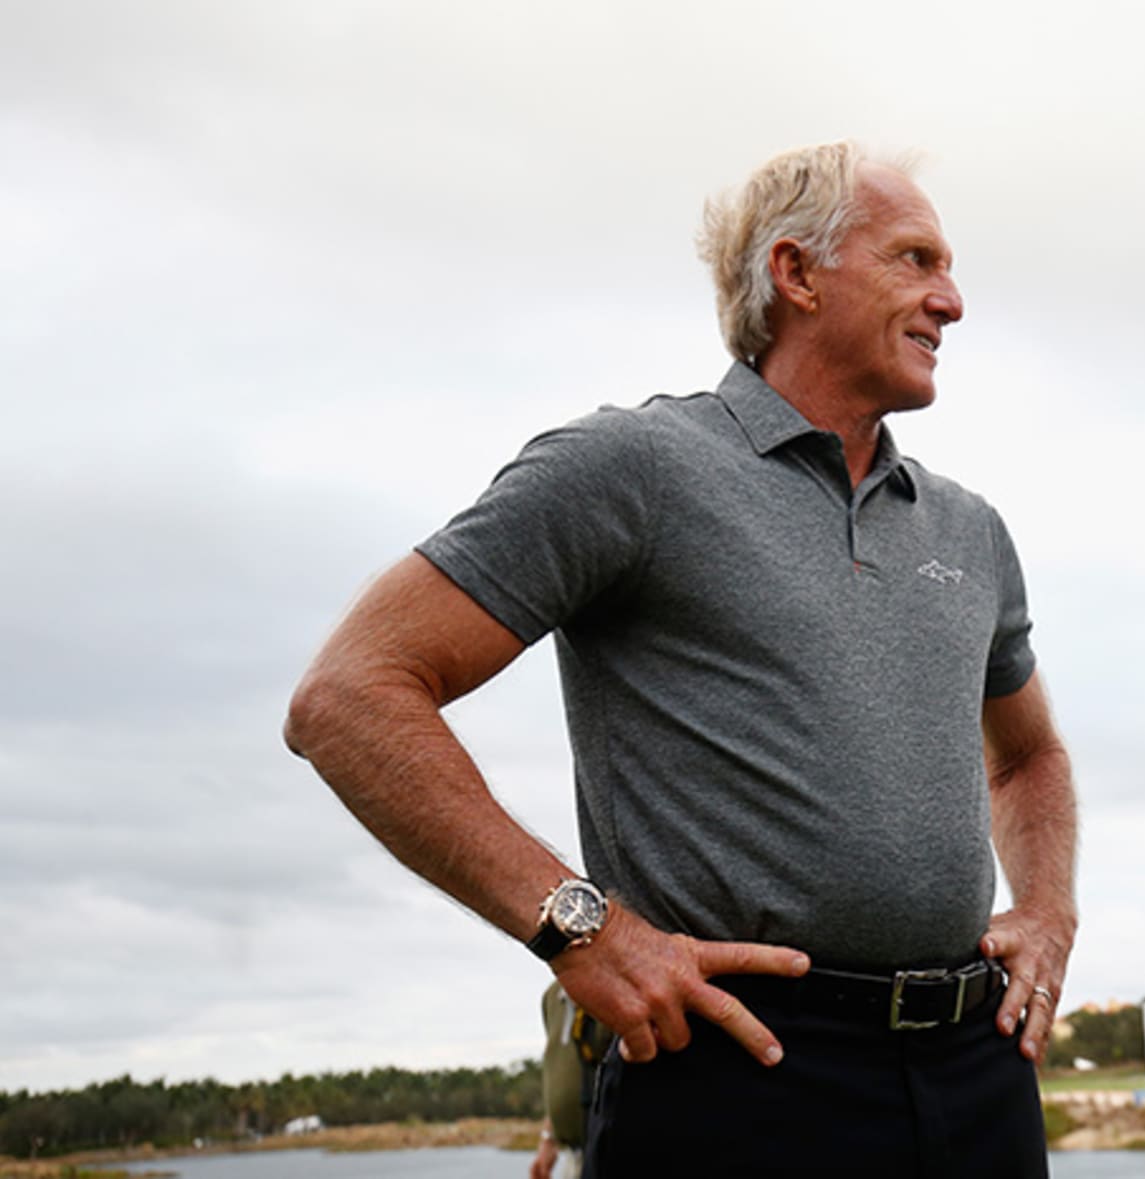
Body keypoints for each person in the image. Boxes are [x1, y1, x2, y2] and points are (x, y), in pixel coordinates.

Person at [285, 141, 1077, 1177]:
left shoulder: (970, 528)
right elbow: (348, 696)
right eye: (914, 260)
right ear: (796, 274)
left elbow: (1029, 757)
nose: (952, 301)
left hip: (977, 1073)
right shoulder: (634, 469)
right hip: (735, 1071)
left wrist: (1048, 912)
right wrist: (580, 929)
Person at [532, 979, 612, 1179]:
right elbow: (562, 1073)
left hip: (614, 1152)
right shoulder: (551, 997)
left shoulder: (614, 983)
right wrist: (548, 1139)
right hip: (574, 1156)